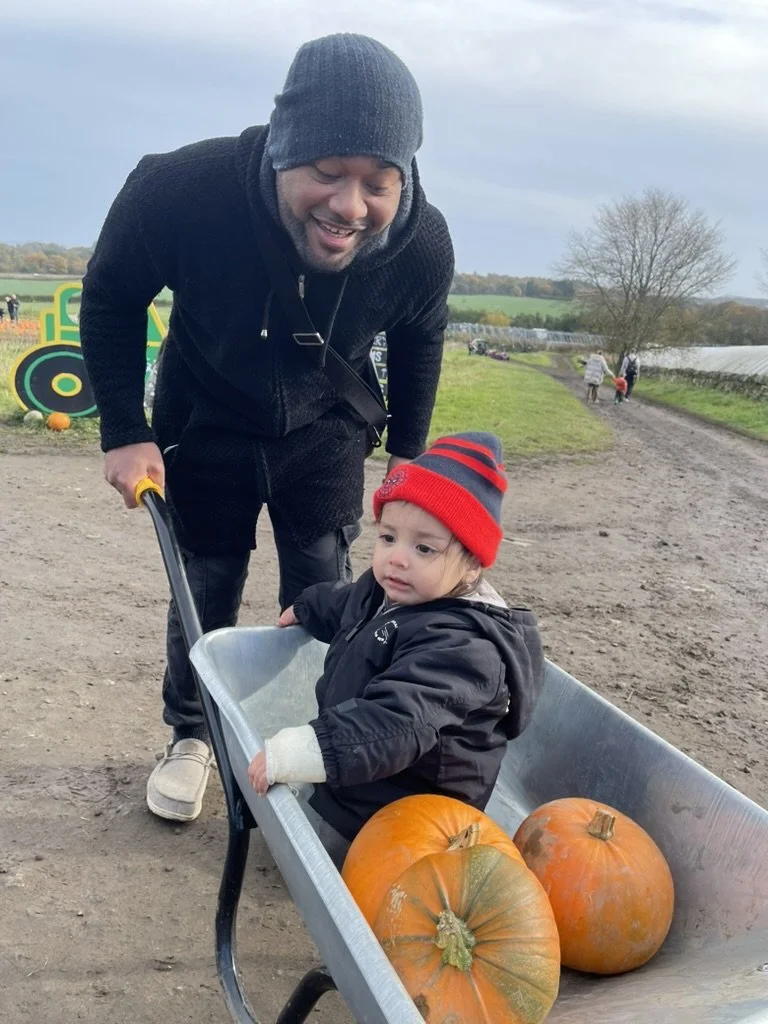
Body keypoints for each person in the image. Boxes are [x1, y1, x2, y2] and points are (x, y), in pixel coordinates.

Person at [78, 33, 455, 823]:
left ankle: (307, 743)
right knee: (205, 586)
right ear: (284, 146)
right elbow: (111, 294)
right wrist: (123, 429)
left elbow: (421, 335)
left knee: (321, 594)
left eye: (378, 182)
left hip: (325, 433)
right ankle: (191, 735)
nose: (350, 206)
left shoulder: (421, 245)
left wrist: (409, 458)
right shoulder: (181, 190)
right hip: (204, 419)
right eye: (327, 171)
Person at [247, 432, 544, 864]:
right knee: (287, 819)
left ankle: (340, 863)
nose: (397, 558)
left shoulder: (464, 649)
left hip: (406, 810)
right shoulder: (394, 588)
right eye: (388, 538)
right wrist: (310, 606)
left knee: (315, 862)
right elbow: (350, 603)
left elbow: (395, 722)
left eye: (424, 547)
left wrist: (300, 751)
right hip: (361, 769)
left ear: (471, 564)